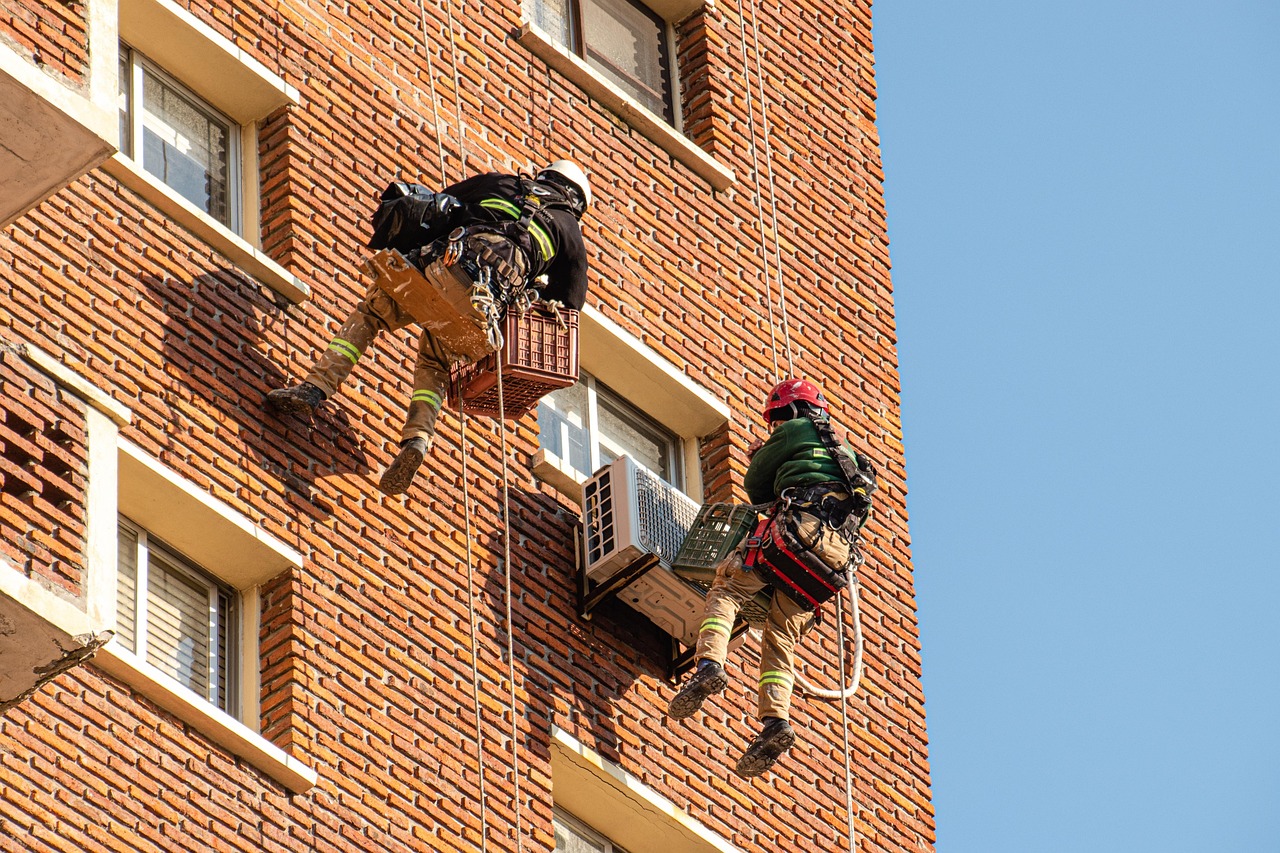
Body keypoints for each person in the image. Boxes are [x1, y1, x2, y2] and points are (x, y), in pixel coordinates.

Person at [265, 160, 592, 495]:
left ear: (545, 175)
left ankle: (314, 388)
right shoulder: (569, 232)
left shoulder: (502, 183)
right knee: (435, 363)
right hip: (481, 308)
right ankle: (417, 439)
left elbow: (439, 207)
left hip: (440, 269)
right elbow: (570, 303)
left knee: (370, 315)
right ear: (576, 202)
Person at [667, 378, 876, 778]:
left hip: (799, 532)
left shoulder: (796, 429)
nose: (776, 425)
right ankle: (775, 722)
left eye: (778, 418)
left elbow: (755, 486)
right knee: (781, 637)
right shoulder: (851, 460)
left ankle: (709, 665)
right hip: (833, 558)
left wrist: (763, 455)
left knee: (727, 588)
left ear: (793, 411)